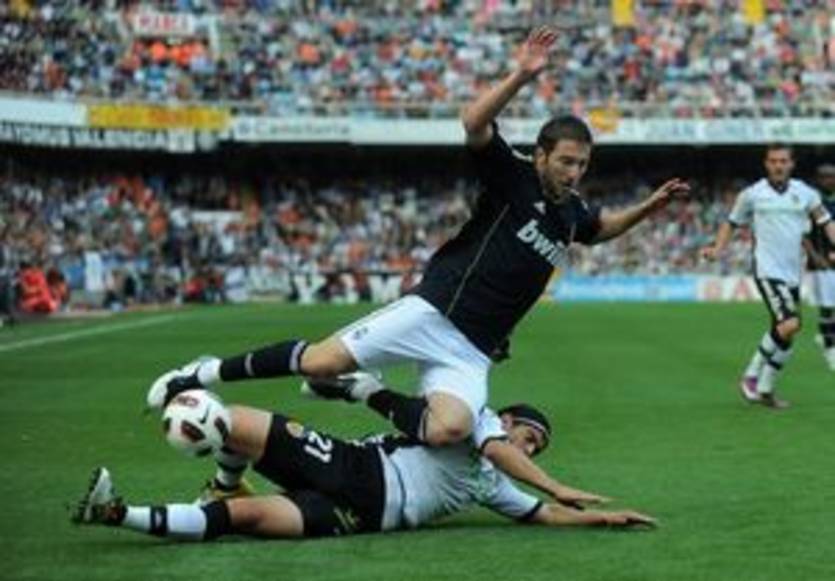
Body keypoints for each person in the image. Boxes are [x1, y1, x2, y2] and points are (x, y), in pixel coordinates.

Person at [147, 26, 690, 450]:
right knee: (318, 363)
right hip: (436, 311)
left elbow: (600, 230)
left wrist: (649, 207)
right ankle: (203, 371)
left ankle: (362, 389)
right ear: (543, 154)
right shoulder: (514, 174)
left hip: (473, 349)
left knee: (449, 430)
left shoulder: (572, 212)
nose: (574, 172)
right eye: (567, 161)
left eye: (583, 164)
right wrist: (521, 75)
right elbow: (473, 124)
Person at [72, 400, 655, 541]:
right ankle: (218, 480)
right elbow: (505, 452)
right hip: (357, 466)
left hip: (362, 513)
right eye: (527, 436)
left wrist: (604, 518)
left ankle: (114, 512)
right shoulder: (472, 421)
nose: (528, 448)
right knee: (236, 421)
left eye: (537, 448)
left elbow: (542, 515)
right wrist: (552, 482)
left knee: (243, 518)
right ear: (503, 421)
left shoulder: (492, 480)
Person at [702, 145, 835, 407]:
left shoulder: (806, 193)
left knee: (786, 334)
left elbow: (826, 222)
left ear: (791, 164)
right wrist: (717, 249)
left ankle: (765, 390)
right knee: (789, 324)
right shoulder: (752, 195)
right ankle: (751, 376)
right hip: (767, 269)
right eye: (773, 161)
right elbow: (731, 222)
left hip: (792, 273)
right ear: (766, 164)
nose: (778, 166)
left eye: (783, 161)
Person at [804, 163, 835, 370]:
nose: (829, 180)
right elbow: (804, 235)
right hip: (821, 263)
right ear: (818, 179)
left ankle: (825, 336)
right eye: (825, 177)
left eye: (832, 176)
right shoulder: (813, 204)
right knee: (827, 305)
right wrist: (816, 258)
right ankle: (830, 349)